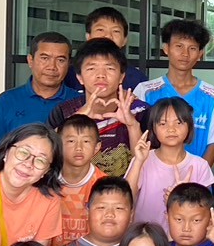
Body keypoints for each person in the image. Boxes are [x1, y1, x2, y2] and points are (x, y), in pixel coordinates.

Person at [135, 18, 214, 166]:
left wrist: (198, 176)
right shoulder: (145, 91)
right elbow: (136, 136)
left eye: (192, 48)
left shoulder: (212, 96)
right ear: (166, 48)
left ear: (200, 53)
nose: (185, 54)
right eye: (179, 46)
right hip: (153, 174)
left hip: (196, 177)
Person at [48, 38, 148, 178]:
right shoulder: (64, 112)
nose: (101, 75)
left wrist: (132, 126)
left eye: (109, 68)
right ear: (79, 77)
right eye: (91, 68)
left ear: (122, 76)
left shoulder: (141, 111)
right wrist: (75, 119)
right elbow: (46, 155)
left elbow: (148, 166)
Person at [125, 97, 214, 229]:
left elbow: (206, 212)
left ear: (189, 126)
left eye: (178, 123)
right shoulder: (143, 160)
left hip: (184, 238)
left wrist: (183, 197)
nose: (171, 129)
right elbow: (125, 198)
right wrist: (138, 161)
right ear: (153, 128)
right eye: (163, 124)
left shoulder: (200, 165)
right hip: (145, 237)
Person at [0, 32, 79, 142]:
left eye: (60, 60)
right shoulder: (6, 102)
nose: (52, 67)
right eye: (44, 58)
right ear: (30, 60)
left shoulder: (79, 102)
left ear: (69, 64)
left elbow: (95, 149)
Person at [62, 7, 146, 93]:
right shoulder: (68, 74)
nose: (108, 35)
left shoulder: (137, 79)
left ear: (125, 40)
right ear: (88, 36)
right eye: (100, 30)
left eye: (116, 31)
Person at [55, 114, 104, 245]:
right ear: (59, 144)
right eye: (71, 141)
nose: (79, 148)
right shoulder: (46, 180)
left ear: (97, 147)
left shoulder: (104, 185)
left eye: (86, 141)